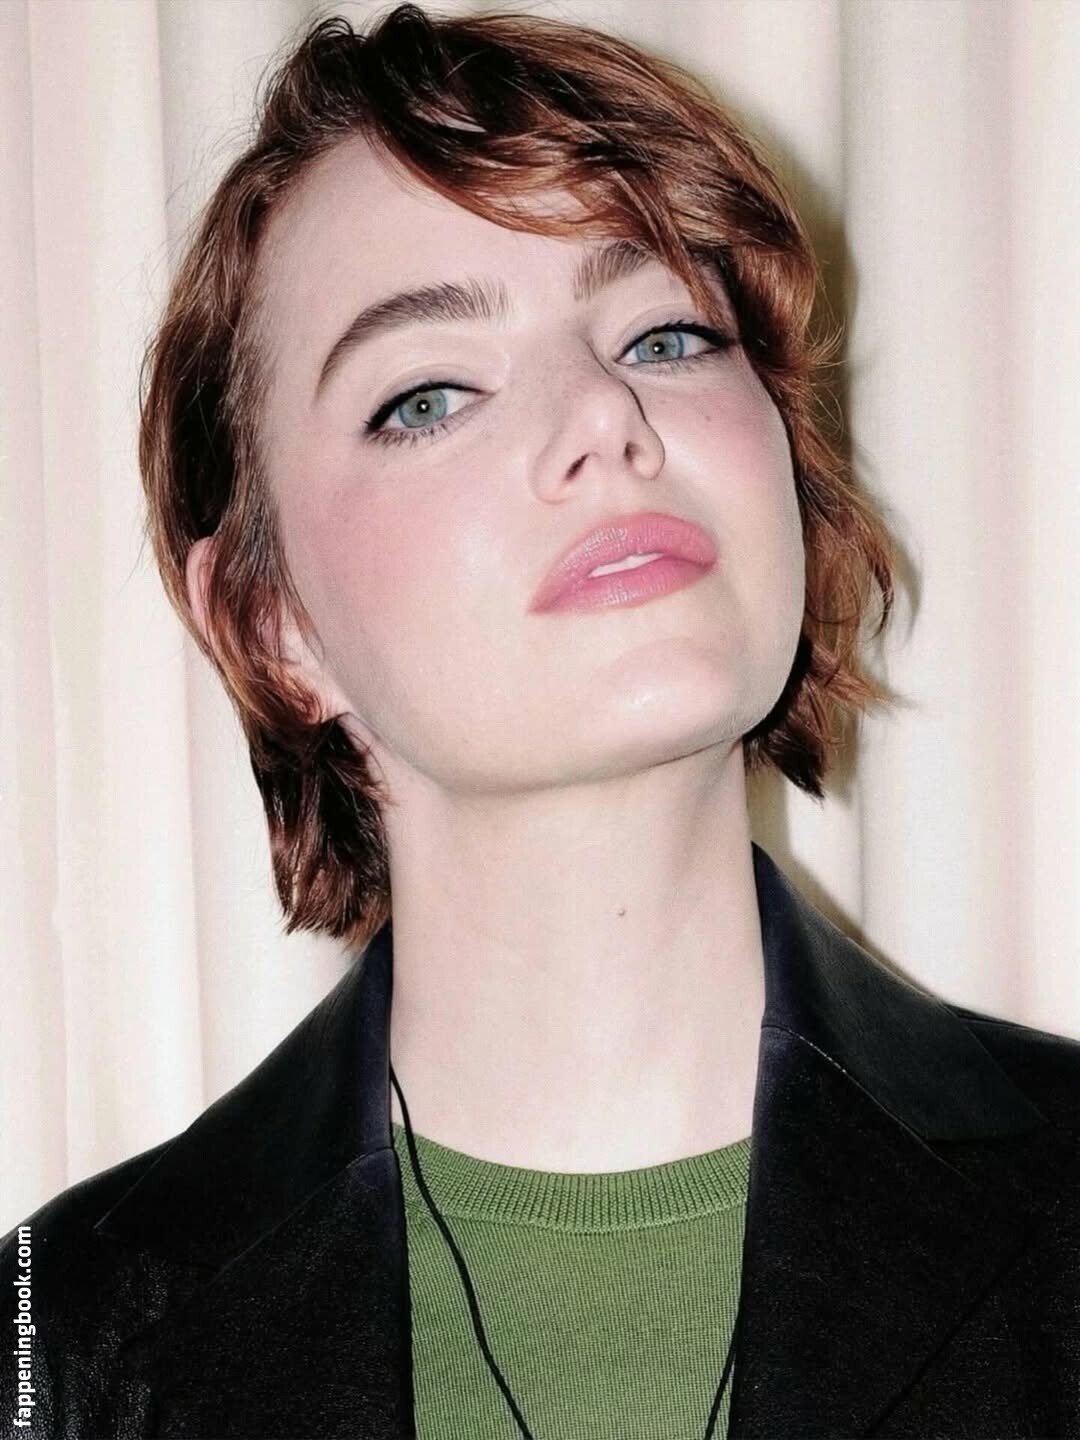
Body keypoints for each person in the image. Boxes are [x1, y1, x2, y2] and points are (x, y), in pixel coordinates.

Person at [3, 5, 1079, 1438]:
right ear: (270, 621)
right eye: (428, 397)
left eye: (667, 335)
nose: (604, 418)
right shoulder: (61, 1347)